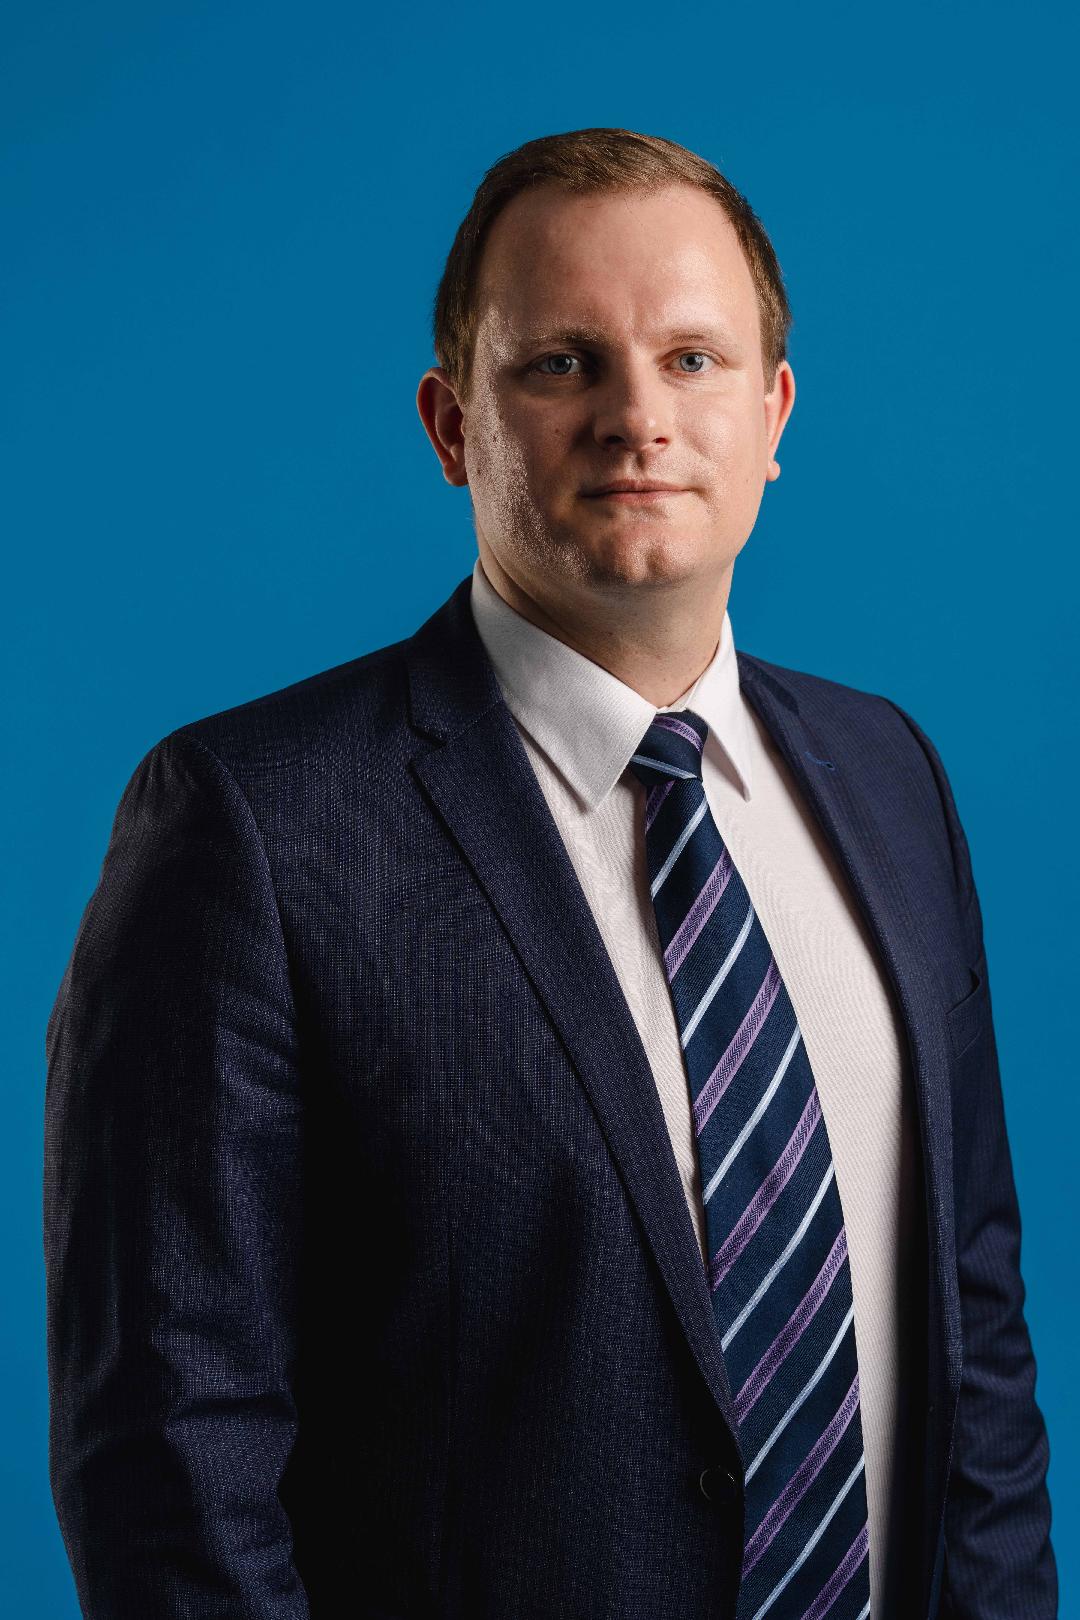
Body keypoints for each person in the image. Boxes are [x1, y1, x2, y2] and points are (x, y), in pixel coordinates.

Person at [43, 127, 1056, 1619]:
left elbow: (977, 1346)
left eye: (694, 360)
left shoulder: (891, 775)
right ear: (454, 426)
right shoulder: (247, 827)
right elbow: (168, 1450)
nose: (638, 418)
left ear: (774, 412)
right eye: (564, 364)